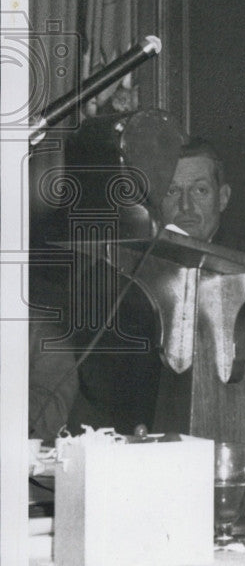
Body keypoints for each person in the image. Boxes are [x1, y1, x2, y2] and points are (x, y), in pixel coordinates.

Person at [30, 138, 232, 438]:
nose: (186, 205)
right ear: (153, 200)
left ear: (223, 197)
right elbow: (103, 386)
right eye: (172, 191)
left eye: (200, 190)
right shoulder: (109, 278)